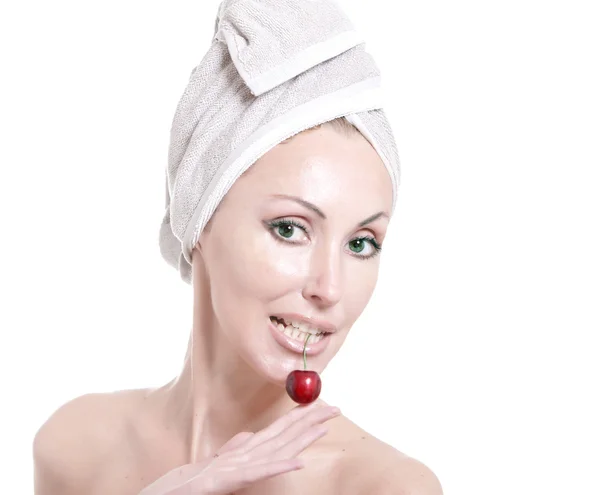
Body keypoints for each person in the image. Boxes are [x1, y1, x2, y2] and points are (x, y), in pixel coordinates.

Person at [33, 0, 443, 492]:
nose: (330, 288)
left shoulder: (381, 486)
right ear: (200, 217)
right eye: (290, 229)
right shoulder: (74, 447)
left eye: (360, 243)